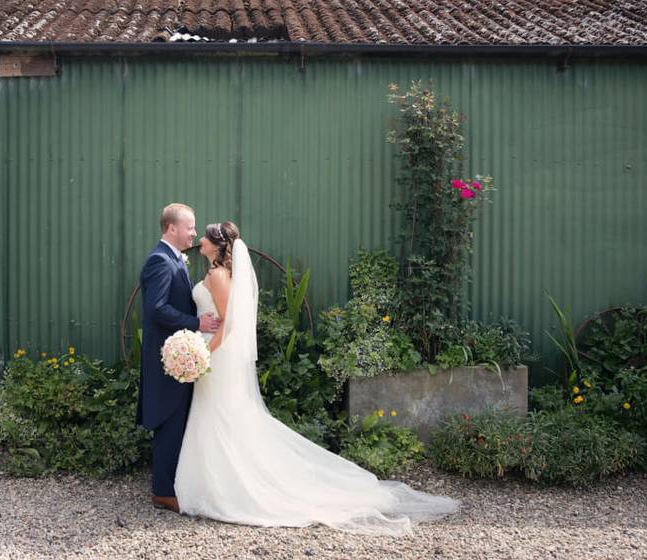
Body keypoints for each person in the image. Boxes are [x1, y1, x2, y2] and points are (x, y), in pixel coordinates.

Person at [173, 220, 461, 537]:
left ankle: (222, 488)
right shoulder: (216, 273)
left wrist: (203, 355)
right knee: (217, 415)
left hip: (218, 355)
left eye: (205, 236)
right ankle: (214, 483)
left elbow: (229, 324)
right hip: (214, 354)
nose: (199, 239)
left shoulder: (216, 275)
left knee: (222, 416)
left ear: (216, 244)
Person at [136, 203, 221, 513]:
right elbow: (156, 309)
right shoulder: (160, 261)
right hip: (167, 358)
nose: (194, 233)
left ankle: (171, 484)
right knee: (169, 420)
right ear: (172, 228)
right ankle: (163, 491)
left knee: (178, 420)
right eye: (190, 226)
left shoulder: (175, 259)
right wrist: (195, 323)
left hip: (180, 356)